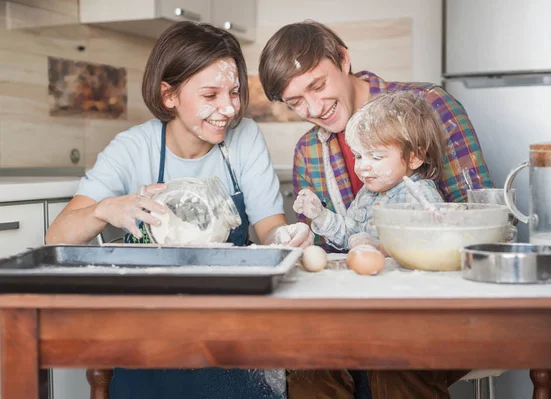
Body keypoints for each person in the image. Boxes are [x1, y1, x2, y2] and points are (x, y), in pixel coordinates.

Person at [46, 21, 313, 399]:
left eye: (235, 92)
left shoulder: (244, 138)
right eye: (211, 94)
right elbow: (56, 236)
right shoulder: (132, 148)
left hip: (227, 322)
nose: (228, 108)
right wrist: (105, 209)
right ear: (168, 95)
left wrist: (285, 238)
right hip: (150, 328)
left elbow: (270, 227)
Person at [258, 20, 479, 399]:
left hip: (434, 311)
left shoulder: (429, 106)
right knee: (307, 366)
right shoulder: (310, 150)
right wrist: (306, 235)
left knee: (394, 362)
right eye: (296, 102)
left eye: (317, 85)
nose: (314, 108)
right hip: (350, 315)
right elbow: (327, 251)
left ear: (343, 60)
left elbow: (480, 221)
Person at [293, 91, 445, 252]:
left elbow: (433, 243)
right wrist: (321, 216)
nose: (362, 166)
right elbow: (349, 236)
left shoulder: (421, 196)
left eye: (376, 157)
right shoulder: (366, 195)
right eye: (358, 156)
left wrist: (382, 248)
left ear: (415, 157)